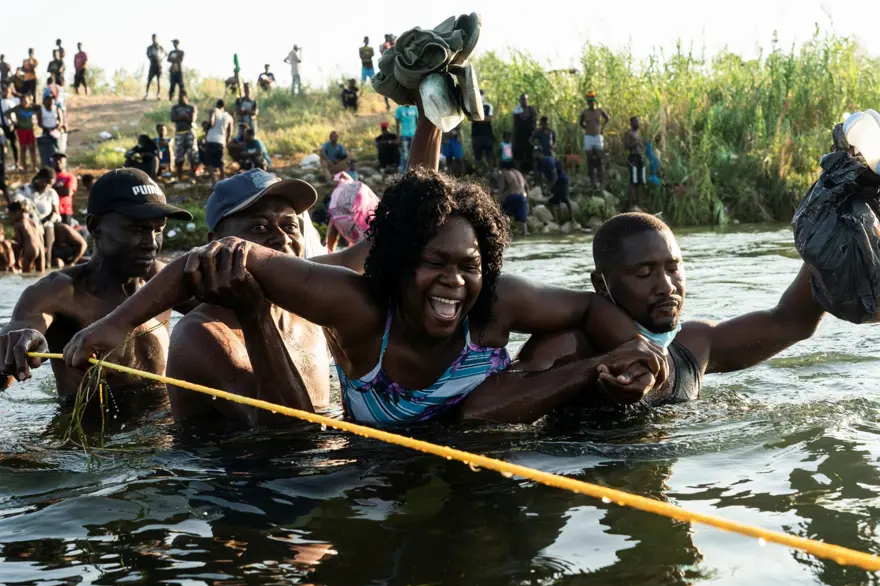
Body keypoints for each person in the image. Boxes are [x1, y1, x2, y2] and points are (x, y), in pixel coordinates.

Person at [64, 107, 661, 426]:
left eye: (470, 264)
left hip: (499, 430)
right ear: (397, 266)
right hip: (341, 460)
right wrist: (111, 326)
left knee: (519, 378)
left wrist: (645, 363)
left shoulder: (493, 299)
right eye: (434, 264)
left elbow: (584, 305)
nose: (455, 280)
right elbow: (291, 438)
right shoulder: (348, 298)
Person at [463, 213, 826, 421]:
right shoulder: (569, 344)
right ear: (601, 286)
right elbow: (477, 413)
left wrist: (833, 233)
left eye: (673, 268)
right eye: (644, 272)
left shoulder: (695, 346)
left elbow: (791, 322)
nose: (666, 286)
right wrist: (592, 372)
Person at [0, 168, 195, 404]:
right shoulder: (58, 293)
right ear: (94, 227)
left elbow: (228, 315)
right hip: (91, 432)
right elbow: (14, 348)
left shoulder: (165, 279)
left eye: (158, 230)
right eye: (136, 229)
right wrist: (14, 346)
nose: (151, 243)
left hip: (162, 425)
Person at [165, 171, 338, 424]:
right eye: (259, 227)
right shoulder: (200, 334)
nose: (282, 238)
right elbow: (290, 434)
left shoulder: (310, 312)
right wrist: (254, 315)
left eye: (290, 225)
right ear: (216, 245)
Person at [326, 172, 380, 252]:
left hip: (347, 219)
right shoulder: (358, 188)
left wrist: (330, 252)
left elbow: (332, 231)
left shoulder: (339, 197)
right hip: (362, 220)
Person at [14, 167, 59, 262]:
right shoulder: (25, 189)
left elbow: (56, 213)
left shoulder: (51, 193)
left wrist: (46, 221)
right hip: (29, 221)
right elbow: (18, 204)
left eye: (51, 184)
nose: (48, 186)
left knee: (49, 228)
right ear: (39, 179)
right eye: (46, 182)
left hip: (46, 222)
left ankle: (48, 259)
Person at [579, 91, 610, 190]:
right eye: (589, 102)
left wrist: (602, 128)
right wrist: (586, 128)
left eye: (592, 102)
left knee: (599, 160)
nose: (590, 103)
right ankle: (592, 182)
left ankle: (601, 182)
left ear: (595, 102)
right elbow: (581, 122)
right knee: (590, 160)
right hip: (588, 137)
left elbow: (607, 119)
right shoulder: (585, 112)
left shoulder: (600, 111)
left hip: (597, 137)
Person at [533, 149, 573, 224]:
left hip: (561, 179)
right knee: (552, 202)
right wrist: (542, 189)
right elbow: (539, 177)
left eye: (536, 153)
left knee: (565, 199)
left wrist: (549, 188)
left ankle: (572, 219)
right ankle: (556, 220)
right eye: (533, 154)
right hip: (553, 181)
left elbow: (555, 176)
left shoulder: (548, 161)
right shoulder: (538, 163)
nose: (534, 155)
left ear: (540, 153)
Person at [7, 200, 44, 273]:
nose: (11, 218)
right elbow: (41, 237)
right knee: (41, 275)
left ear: (17, 212)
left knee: (26, 275)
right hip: (41, 248)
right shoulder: (33, 222)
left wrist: (17, 259)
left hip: (30, 249)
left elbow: (19, 243)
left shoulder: (18, 224)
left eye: (11, 215)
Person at [170, 91, 198, 181]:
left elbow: (192, 119)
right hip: (179, 134)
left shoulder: (191, 107)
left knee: (192, 156)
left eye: (182, 96)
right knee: (179, 157)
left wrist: (181, 118)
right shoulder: (175, 107)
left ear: (186, 97)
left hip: (190, 133)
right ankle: (179, 177)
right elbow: (173, 118)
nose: (180, 98)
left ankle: (192, 176)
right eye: (179, 96)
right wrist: (185, 117)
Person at [497, 160, 529, 236]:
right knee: (523, 220)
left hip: (513, 196)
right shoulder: (519, 173)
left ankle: (502, 233)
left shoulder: (504, 173)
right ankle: (524, 233)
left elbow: (501, 189)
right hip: (522, 197)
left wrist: (498, 201)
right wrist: (527, 199)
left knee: (502, 213)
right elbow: (527, 187)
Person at [205, 99, 233, 183]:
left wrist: (207, 127)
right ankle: (223, 179)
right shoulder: (229, 117)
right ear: (223, 106)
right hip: (221, 141)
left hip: (211, 139)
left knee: (209, 161)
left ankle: (213, 180)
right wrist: (227, 142)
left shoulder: (213, 111)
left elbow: (211, 123)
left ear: (217, 105)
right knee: (220, 162)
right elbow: (229, 133)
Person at [36, 93, 65, 167]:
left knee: (57, 148)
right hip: (46, 131)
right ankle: (47, 165)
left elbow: (61, 121)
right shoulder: (41, 110)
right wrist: (47, 129)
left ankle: (59, 165)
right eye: (48, 99)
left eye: (52, 99)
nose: (51, 101)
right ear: (44, 101)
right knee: (46, 150)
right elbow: (39, 123)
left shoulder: (57, 109)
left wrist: (56, 128)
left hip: (56, 131)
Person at [623, 116, 646, 208]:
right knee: (633, 181)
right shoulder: (629, 133)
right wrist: (635, 144)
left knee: (640, 181)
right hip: (632, 158)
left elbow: (642, 146)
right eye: (636, 122)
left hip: (640, 157)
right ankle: (630, 204)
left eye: (638, 121)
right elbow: (626, 146)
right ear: (631, 123)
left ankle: (638, 203)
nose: (638, 123)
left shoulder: (638, 133)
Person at [512, 93, 538, 173]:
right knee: (518, 156)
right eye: (523, 99)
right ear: (520, 100)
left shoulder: (532, 109)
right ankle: (517, 173)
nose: (524, 101)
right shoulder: (517, 109)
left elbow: (534, 122)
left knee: (531, 156)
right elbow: (515, 122)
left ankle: (534, 174)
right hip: (519, 137)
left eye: (526, 99)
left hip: (530, 137)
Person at [13, 94, 38, 172]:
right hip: (21, 130)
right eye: (23, 101)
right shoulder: (17, 109)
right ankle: (24, 167)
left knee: (32, 148)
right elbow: (7, 113)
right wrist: (13, 122)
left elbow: (39, 107)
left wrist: (31, 102)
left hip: (30, 130)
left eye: (27, 100)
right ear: (20, 102)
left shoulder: (31, 108)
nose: (25, 102)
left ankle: (34, 166)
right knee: (23, 148)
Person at [471, 90, 495, 173]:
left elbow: (490, 118)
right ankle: (476, 177)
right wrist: (483, 119)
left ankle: (492, 175)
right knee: (477, 158)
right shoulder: (472, 106)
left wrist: (477, 118)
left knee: (489, 157)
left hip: (487, 135)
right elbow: (470, 118)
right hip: (476, 136)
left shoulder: (488, 106)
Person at [51, 153, 77, 224]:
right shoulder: (49, 176)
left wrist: (51, 188)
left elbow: (68, 192)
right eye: (55, 160)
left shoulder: (70, 177)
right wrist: (58, 188)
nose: (58, 162)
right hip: (51, 211)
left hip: (65, 211)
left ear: (65, 162)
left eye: (60, 160)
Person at [394, 102, 418, 173]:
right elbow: (397, 125)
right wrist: (398, 137)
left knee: (414, 153)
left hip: (413, 135)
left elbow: (417, 121)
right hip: (404, 135)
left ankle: (414, 171)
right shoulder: (399, 110)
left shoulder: (415, 108)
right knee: (405, 155)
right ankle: (404, 172)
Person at [0, 84, 19, 170]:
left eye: (9, 92)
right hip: (1, 127)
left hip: (10, 126)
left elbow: (14, 115)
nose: (7, 93)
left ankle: (16, 163)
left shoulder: (12, 102)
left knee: (13, 145)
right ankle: (3, 163)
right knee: (3, 145)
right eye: (5, 91)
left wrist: (13, 124)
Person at [145, 34, 166, 100]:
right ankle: (146, 94)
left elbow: (165, 53)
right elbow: (147, 54)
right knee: (149, 80)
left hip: (158, 64)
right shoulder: (150, 47)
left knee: (159, 80)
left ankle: (158, 94)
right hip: (152, 64)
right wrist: (150, 57)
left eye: (155, 38)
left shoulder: (159, 47)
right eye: (153, 38)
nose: (154, 39)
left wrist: (161, 58)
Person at [379, 35, 396, 110]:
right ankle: (388, 105)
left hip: (390, 67)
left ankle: (389, 105)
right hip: (389, 68)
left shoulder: (389, 44)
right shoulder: (385, 45)